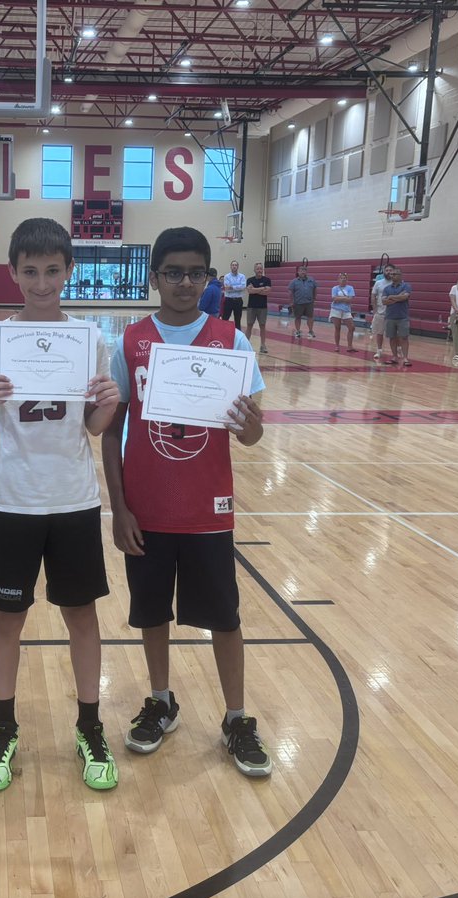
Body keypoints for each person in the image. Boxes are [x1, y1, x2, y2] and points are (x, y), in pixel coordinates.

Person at [101, 226, 272, 778]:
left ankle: (237, 717)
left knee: (224, 616)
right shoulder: (130, 342)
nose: (184, 282)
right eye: (172, 272)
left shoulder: (232, 340)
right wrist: (119, 507)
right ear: (154, 276)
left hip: (208, 509)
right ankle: (161, 700)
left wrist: (250, 427)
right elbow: (110, 433)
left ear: (209, 277)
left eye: (196, 272)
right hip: (146, 509)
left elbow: (252, 435)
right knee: (152, 614)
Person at [0, 217, 122, 793]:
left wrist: (107, 401)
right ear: (12, 272)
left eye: (52, 270)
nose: (41, 281)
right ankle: (3, 726)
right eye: (29, 271)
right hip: (12, 500)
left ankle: (89, 725)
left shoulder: (89, 338)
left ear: (68, 272)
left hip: (73, 499)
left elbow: (96, 426)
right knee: (8, 619)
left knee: (82, 616)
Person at [381, 267, 413, 367]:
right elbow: (384, 301)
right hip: (390, 316)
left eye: (395, 274)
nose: (392, 276)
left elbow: (405, 297)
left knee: (404, 338)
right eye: (391, 274)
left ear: (400, 275)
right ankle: (394, 357)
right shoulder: (387, 289)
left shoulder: (406, 286)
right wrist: (398, 297)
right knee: (392, 338)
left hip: (403, 317)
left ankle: (405, 358)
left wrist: (391, 297)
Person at [244, 262, 272, 354]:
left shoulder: (267, 280)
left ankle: (263, 345)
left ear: (262, 270)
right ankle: (246, 345)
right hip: (251, 307)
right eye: (257, 269)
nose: (259, 270)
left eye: (261, 268)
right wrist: (262, 288)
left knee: (262, 326)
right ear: (254, 270)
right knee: (249, 325)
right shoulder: (249, 280)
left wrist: (255, 290)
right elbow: (250, 291)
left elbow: (267, 292)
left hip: (262, 307)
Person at [370, 263, 394, 362]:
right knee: (379, 333)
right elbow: (373, 296)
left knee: (393, 334)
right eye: (386, 270)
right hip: (380, 312)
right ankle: (379, 350)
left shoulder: (397, 282)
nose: (388, 272)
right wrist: (375, 309)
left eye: (390, 270)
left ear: (393, 271)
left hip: (393, 312)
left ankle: (395, 353)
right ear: (384, 271)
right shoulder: (378, 283)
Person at [329, 272, 357, 352]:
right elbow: (334, 299)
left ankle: (349, 346)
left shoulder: (350, 288)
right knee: (337, 328)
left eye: (344, 278)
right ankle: (337, 346)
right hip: (336, 310)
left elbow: (350, 299)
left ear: (347, 279)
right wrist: (345, 298)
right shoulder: (334, 288)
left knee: (351, 327)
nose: (343, 279)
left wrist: (340, 298)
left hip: (346, 311)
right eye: (341, 278)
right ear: (338, 279)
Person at [288, 266, 317, 339]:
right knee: (298, 317)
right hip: (298, 303)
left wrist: (314, 299)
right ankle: (298, 331)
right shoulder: (294, 281)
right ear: (298, 272)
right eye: (301, 270)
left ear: (306, 272)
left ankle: (310, 331)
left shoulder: (312, 280)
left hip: (309, 302)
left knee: (310, 317)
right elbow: (290, 292)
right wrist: (291, 302)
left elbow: (315, 289)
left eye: (304, 270)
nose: (303, 272)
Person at [221, 260, 247, 328]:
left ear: (238, 267)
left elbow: (243, 287)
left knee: (238, 320)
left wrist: (232, 287)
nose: (234, 266)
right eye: (233, 265)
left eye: (235, 265)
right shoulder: (226, 276)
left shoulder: (242, 276)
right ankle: (223, 334)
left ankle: (237, 336)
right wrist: (237, 287)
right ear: (230, 267)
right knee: (225, 319)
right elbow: (227, 289)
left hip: (238, 300)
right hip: (228, 300)